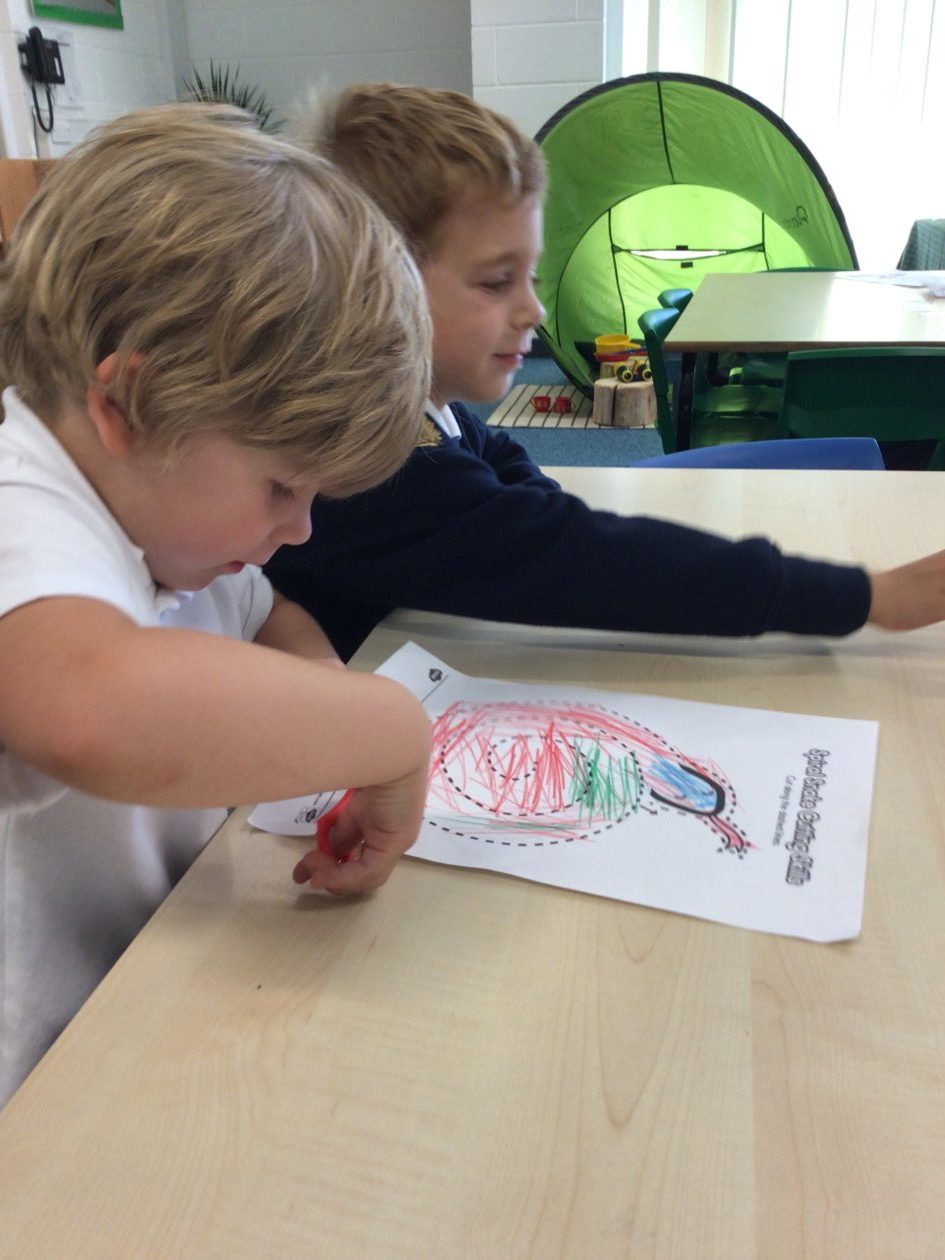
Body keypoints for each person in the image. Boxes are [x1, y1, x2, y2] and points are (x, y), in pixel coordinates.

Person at [0, 104, 433, 1106]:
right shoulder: (21, 500)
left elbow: (264, 615)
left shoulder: (163, 519)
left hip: (150, 997)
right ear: (130, 403)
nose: (301, 528)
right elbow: (92, 707)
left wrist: (321, 697)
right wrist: (389, 734)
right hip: (35, 1096)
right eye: (283, 486)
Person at [265, 82, 945, 659]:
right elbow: (582, 563)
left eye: (529, 276)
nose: (533, 310)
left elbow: (498, 460)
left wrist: (539, 523)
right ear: (373, 286)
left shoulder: (413, 407)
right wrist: (870, 597)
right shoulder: (370, 467)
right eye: (496, 281)